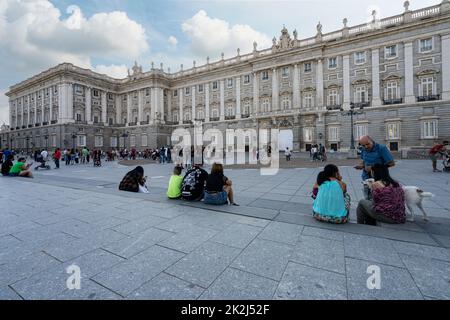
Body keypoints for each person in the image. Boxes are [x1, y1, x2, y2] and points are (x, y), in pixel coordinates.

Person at [355, 135, 395, 199]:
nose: (366, 147)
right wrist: (361, 165)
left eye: (367, 144)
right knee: (368, 198)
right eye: (363, 145)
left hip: (379, 179)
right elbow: (363, 160)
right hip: (366, 179)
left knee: (380, 199)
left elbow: (392, 163)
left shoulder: (381, 148)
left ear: (372, 141)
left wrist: (373, 167)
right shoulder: (363, 149)